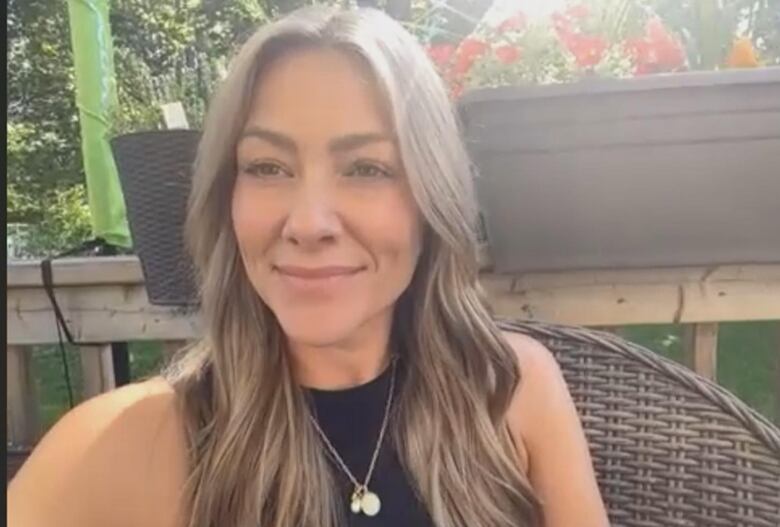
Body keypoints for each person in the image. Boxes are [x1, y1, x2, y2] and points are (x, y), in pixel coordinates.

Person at [8, 6, 608, 527]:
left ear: (432, 203)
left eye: (366, 168)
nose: (308, 222)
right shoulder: (124, 445)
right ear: (227, 198)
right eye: (268, 167)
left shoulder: (511, 391)